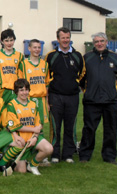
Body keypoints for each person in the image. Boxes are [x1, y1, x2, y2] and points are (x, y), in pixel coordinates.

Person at [79, 32, 117, 165]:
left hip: (111, 101)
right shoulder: (87, 58)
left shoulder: (115, 58)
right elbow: (81, 78)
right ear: (93, 43)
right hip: (92, 101)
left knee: (111, 129)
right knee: (89, 129)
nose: (99, 43)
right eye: (96, 41)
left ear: (106, 42)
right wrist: (87, 91)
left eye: (101, 41)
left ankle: (109, 156)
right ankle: (85, 155)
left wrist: (115, 91)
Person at [45, 27, 84, 163]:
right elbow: (46, 75)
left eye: (68, 37)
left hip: (73, 96)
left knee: (70, 126)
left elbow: (83, 73)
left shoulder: (77, 55)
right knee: (55, 127)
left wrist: (76, 82)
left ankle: (68, 154)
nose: (66, 40)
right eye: (63, 38)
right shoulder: (51, 56)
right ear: (58, 39)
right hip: (56, 96)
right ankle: (55, 154)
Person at [5, 79, 53, 175]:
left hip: (32, 137)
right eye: (21, 90)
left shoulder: (33, 104)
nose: (24, 92)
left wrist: (35, 137)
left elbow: (38, 124)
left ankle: (32, 165)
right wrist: (33, 129)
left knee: (48, 148)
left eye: (26, 90)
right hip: (21, 139)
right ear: (16, 91)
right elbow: (15, 126)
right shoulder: (12, 105)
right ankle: (12, 158)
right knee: (21, 171)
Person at [18, 39, 50, 126]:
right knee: (28, 125)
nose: (37, 49)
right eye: (34, 47)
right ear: (29, 48)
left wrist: (47, 101)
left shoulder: (45, 64)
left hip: (41, 100)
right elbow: (20, 85)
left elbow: (47, 84)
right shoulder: (23, 64)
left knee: (40, 126)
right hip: (28, 99)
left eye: (39, 47)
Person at [0, 29, 23, 104]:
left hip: (15, 90)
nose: (9, 43)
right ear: (2, 41)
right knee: (2, 113)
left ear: (14, 40)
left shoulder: (19, 56)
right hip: (2, 90)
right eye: (6, 40)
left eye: (11, 40)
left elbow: (21, 74)